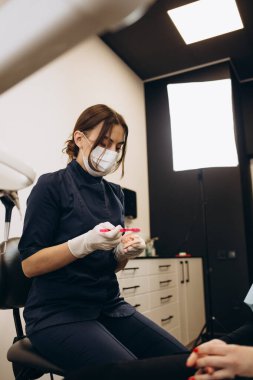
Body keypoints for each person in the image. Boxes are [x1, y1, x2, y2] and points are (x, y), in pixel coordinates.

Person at [18, 104, 188, 373]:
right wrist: (83, 243)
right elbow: (29, 265)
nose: (111, 152)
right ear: (79, 139)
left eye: (118, 147)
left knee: (185, 362)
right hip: (57, 313)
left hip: (109, 307)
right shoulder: (52, 186)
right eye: (104, 142)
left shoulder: (115, 194)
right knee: (134, 373)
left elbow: (111, 266)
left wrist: (123, 254)